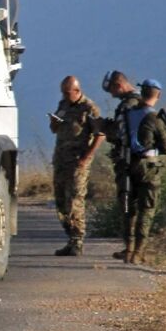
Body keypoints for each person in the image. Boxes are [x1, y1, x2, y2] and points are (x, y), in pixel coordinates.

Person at [50, 76, 106, 256]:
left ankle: (77, 240)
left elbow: (101, 134)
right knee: (61, 202)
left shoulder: (89, 108)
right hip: (61, 159)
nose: (65, 96)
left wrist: (87, 156)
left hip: (77, 162)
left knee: (75, 200)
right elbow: (55, 130)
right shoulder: (63, 105)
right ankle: (70, 236)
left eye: (68, 93)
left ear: (77, 90)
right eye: (63, 93)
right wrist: (54, 123)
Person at [122, 79, 166, 264]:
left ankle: (128, 248)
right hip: (149, 166)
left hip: (129, 164)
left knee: (130, 209)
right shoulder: (154, 118)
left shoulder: (128, 113)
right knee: (147, 209)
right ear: (158, 95)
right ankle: (139, 251)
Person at [102, 70, 143, 259]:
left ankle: (131, 248)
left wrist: (101, 127)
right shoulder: (138, 102)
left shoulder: (128, 105)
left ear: (119, 85)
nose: (111, 95)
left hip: (128, 162)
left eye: (112, 90)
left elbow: (120, 133)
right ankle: (133, 248)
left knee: (127, 204)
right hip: (135, 162)